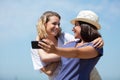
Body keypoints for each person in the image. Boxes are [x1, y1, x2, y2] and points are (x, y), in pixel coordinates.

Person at [31, 11, 103, 80]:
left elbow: (78, 50)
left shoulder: (65, 37)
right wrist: (64, 54)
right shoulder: (35, 49)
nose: (57, 27)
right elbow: (48, 71)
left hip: (89, 74)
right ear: (44, 24)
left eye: (58, 24)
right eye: (54, 23)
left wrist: (98, 38)